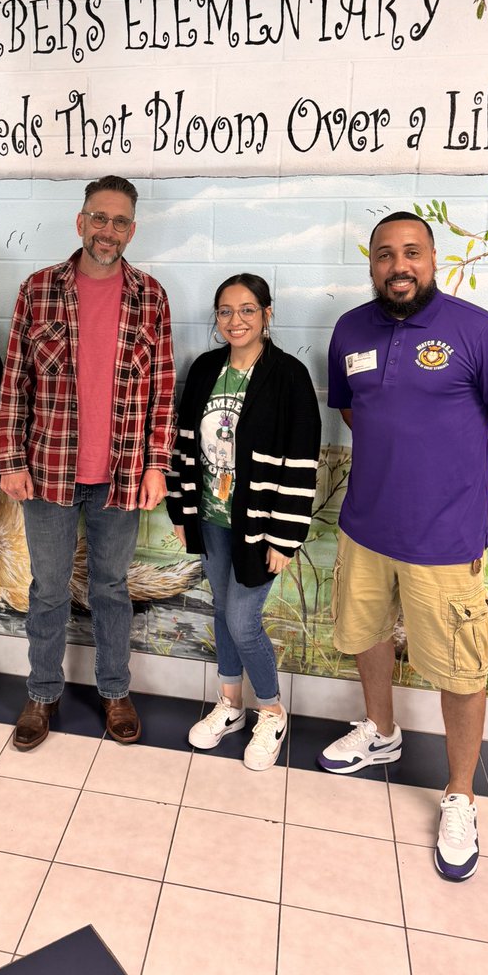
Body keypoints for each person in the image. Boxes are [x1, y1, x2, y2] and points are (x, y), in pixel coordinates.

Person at [319, 211, 488, 881]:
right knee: (366, 635)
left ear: (433, 258)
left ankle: (460, 795)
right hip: (366, 528)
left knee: (460, 670)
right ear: (372, 265)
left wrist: (476, 487)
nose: (399, 265)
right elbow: (357, 412)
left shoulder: (480, 332)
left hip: (445, 541)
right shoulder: (350, 330)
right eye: (386, 254)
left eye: (412, 252)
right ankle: (381, 733)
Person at [0, 175, 175, 750]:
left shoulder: (151, 297)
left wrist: (156, 465)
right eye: (99, 218)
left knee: (111, 589)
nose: (108, 230)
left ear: (132, 229)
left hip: (121, 477)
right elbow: (15, 382)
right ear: (80, 222)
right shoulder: (38, 289)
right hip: (48, 471)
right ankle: (43, 693)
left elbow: (162, 391)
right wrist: (10, 460)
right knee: (48, 589)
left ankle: (114, 690)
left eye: (120, 221)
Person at [167, 275, 321, 770]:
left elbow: (301, 461)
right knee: (221, 610)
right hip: (212, 518)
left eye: (248, 310)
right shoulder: (207, 367)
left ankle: (272, 711)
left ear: (268, 315)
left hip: (259, 527)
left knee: (242, 619)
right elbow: (184, 441)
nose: (236, 321)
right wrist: (180, 508)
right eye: (226, 311)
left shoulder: (289, 376)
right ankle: (230, 704)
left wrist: (287, 535)